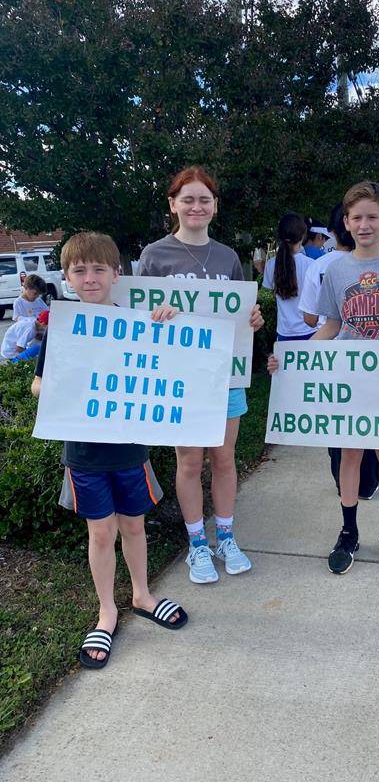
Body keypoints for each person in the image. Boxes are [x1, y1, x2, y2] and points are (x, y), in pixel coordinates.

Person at [31, 232, 188, 670]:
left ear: (116, 274)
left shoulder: (137, 323)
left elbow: (173, 365)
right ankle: (107, 610)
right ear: (66, 278)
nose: (90, 277)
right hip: (84, 454)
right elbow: (38, 383)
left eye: (99, 268)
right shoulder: (60, 328)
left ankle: (141, 594)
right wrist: (55, 389)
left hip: (129, 451)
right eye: (79, 270)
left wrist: (168, 322)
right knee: (101, 533)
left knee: (134, 528)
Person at [271, 181, 379, 575]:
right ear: (346, 221)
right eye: (356, 217)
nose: (364, 224)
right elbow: (331, 325)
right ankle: (349, 530)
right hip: (350, 376)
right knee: (350, 455)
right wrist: (294, 359)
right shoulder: (336, 269)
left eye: (372, 216)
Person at [138, 165, 264, 585]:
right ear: (173, 204)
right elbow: (138, 321)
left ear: (214, 206)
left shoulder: (227, 256)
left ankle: (225, 536)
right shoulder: (155, 255)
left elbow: (239, 315)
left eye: (204, 199)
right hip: (180, 379)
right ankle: (197, 544)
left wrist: (254, 319)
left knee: (225, 459)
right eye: (187, 199)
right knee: (190, 461)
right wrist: (155, 318)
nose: (196, 206)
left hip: (224, 375)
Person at [298, 202, 379, 499]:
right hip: (370, 354)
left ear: (333, 231)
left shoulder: (319, 266)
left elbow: (308, 317)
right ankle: (368, 482)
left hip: (330, 354)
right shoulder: (376, 264)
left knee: (337, 420)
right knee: (370, 417)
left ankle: (342, 481)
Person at [262, 213, 316, 341]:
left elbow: (268, 292)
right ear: (303, 236)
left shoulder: (271, 265)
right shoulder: (312, 265)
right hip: (310, 331)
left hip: (284, 333)